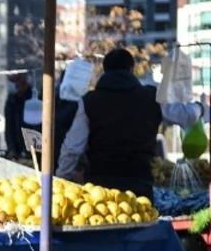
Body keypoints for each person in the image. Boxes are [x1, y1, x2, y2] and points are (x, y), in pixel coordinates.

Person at [58, 48, 202, 200]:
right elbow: (186, 115)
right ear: (131, 69)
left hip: (100, 191)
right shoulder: (152, 96)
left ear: (105, 71)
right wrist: (200, 108)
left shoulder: (89, 101)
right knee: (139, 215)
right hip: (139, 185)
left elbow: (72, 148)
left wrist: (61, 179)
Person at [4, 72, 36, 159]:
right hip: (17, 152)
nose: (12, 84)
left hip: (32, 151)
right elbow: (9, 128)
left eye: (14, 80)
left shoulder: (33, 99)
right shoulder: (11, 100)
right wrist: (12, 149)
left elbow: (34, 128)